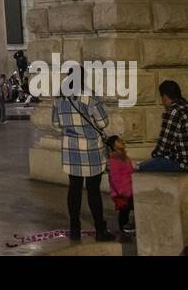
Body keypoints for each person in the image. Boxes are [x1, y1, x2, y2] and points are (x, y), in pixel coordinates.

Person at [51, 93, 115, 242]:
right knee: (93, 190)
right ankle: (100, 230)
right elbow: (103, 122)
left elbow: (56, 124)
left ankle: (74, 230)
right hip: (90, 149)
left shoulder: (59, 100)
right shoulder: (90, 99)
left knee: (74, 189)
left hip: (71, 149)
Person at [139, 81, 188, 173]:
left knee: (140, 167)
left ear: (164, 97)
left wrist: (155, 157)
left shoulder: (174, 112)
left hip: (186, 164)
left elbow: (164, 146)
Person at [107, 135, 135, 239]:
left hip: (130, 189)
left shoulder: (125, 157)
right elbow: (115, 178)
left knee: (126, 211)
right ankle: (123, 231)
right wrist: (122, 192)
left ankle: (125, 230)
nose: (122, 141)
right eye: (118, 141)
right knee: (124, 211)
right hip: (122, 192)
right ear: (113, 145)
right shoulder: (114, 159)